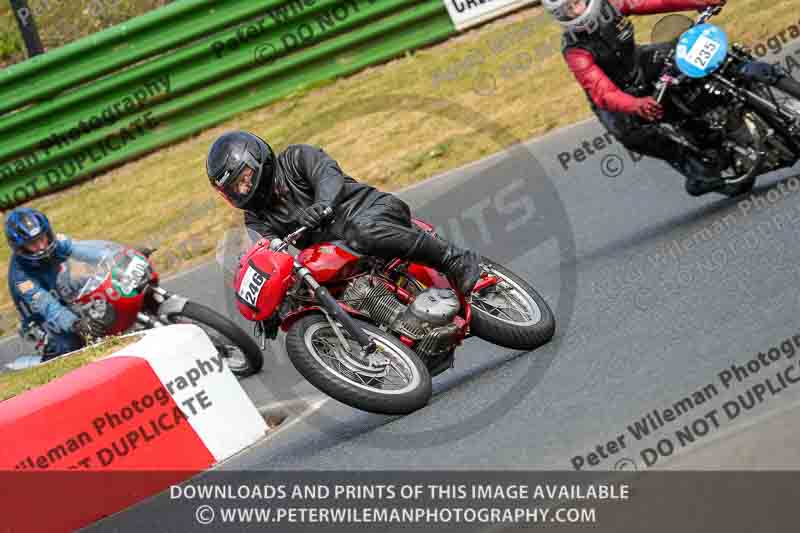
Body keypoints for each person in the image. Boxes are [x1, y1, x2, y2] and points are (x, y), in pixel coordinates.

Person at [205, 131, 482, 297]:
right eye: (235, 187)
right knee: (311, 289)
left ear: (257, 160)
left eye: (244, 178)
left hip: (372, 211)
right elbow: (270, 253)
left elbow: (327, 175)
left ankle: (454, 259)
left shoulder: (296, 158)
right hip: (340, 255)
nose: (243, 188)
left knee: (363, 231)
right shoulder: (256, 218)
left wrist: (323, 204)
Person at [543, 0, 729, 195]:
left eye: (576, 2)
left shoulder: (612, 4)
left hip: (639, 63)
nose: (576, 11)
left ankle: (729, 88)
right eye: (567, 9)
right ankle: (695, 167)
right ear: (558, 15)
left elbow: (657, 1)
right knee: (630, 134)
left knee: (685, 53)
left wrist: (700, 1)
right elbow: (603, 92)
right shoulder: (574, 50)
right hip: (617, 93)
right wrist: (634, 104)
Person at [5, 207, 105, 361]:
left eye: (42, 238)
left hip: (66, 296)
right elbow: (48, 307)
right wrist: (75, 324)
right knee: (71, 348)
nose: (41, 246)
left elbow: (87, 251)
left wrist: (116, 259)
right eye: (33, 243)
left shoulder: (56, 243)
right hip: (45, 321)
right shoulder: (21, 278)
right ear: (21, 248)